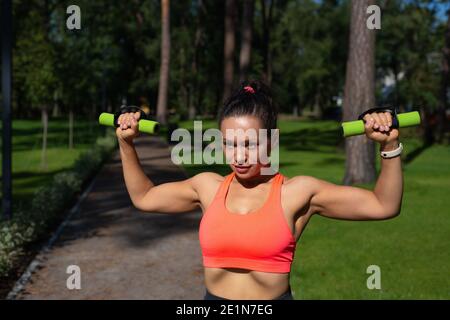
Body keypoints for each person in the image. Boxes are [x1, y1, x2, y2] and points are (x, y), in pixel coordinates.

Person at [115, 80, 403, 300]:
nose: (239, 157)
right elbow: (145, 197)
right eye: (230, 143)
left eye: (249, 144)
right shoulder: (207, 186)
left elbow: (383, 205)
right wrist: (126, 143)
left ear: (271, 143)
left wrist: (388, 146)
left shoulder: (297, 192)